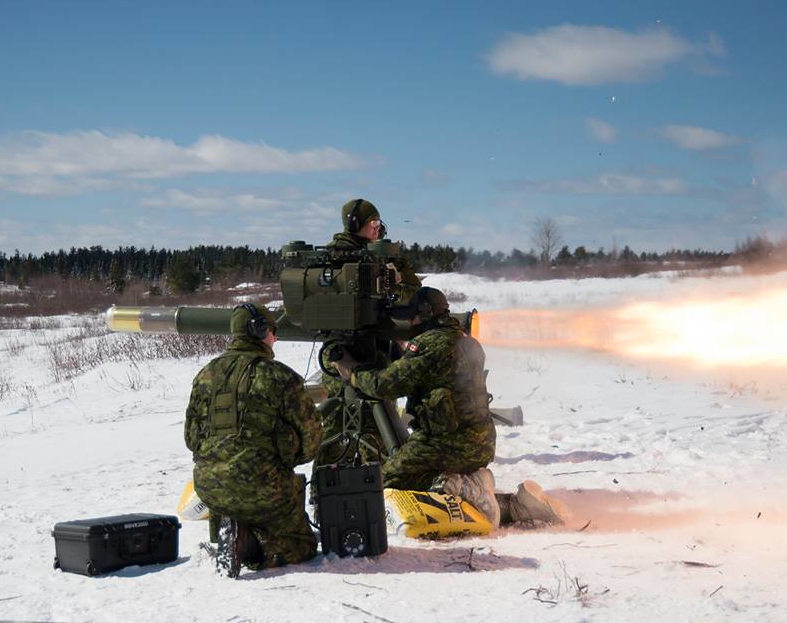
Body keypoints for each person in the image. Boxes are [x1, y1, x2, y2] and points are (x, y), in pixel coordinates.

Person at [332, 287, 568, 528]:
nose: (410, 322)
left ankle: (462, 486)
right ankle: (506, 503)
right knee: (418, 478)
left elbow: (384, 385)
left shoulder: (428, 345)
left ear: (424, 314)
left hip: (444, 443)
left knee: (385, 482)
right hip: (480, 443)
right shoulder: (467, 342)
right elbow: (430, 374)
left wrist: (352, 370)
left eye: (412, 316)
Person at [184, 302, 323, 578]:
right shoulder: (280, 376)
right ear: (259, 331)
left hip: (210, 489)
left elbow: (191, 438)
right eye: (272, 330)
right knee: (303, 547)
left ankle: (230, 528)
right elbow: (312, 437)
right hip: (266, 490)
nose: (276, 337)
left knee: (237, 500)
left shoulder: (205, 375)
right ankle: (250, 545)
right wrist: (290, 456)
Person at [316, 198, 423, 465]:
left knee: (356, 429)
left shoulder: (385, 254)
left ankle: (359, 483)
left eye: (378, 223)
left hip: (363, 354)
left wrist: (394, 281)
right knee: (341, 431)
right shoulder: (331, 258)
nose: (377, 227)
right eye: (372, 223)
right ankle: (374, 485)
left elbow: (414, 294)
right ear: (356, 225)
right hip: (348, 359)